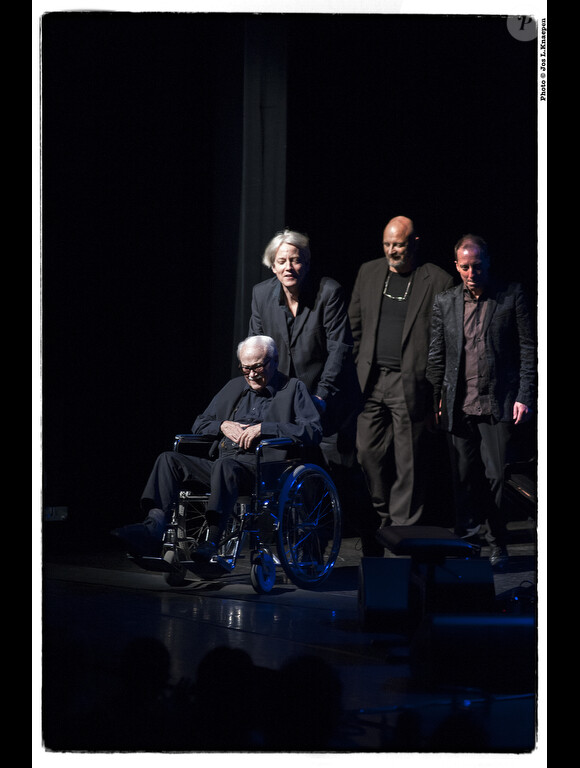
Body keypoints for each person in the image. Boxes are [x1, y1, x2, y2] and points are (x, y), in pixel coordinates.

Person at [112, 335, 322, 561]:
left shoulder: (293, 388)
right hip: (224, 465)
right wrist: (222, 425)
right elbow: (200, 423)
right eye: (246, 368)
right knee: (168, 459)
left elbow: (312, 430)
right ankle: (153, 527)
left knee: (225, 466)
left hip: (263, 468)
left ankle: (211, 540)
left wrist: (265, 428)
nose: (251, 374)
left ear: (274, 361)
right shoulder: (234, 387)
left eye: (258, 367)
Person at [248, 229, 371, 545]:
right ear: (272, 266)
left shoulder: (328, 292)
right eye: (282, 261)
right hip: (286, 404)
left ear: (307, 263)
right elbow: (258, 347)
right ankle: (303, 548)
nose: (289, 267)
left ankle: (371, 543)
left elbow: (339, 349)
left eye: (296, 260)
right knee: (288, 473)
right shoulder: (262, 295)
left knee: (339, 476)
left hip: (328, 401)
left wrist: (321, 396)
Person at [426, 234, 536, 567]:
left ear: (487, 262)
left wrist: (524, 395)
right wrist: (437, 399)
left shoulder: (510, 295)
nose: (471, 273)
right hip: (459, 403)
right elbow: (436, 355)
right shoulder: (445, 302)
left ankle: (497, 542)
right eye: (465, 267)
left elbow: (528, 348)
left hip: (498, 401)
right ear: (456, 266)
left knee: (497, 478)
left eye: (476, 266)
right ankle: (468, 542)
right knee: (462, 478)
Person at [348, 215, 454, 541]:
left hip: (412, 383)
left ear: (415, 243)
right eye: (387, 244)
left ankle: (402, 530)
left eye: (399, 244)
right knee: (367, 453)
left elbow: (447, 343)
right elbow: (354, 327)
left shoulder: (438, 280)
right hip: (372, 380)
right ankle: (384, 518)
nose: (392, 251)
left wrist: (439, 394)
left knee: (410, 462)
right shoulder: (368, 272)